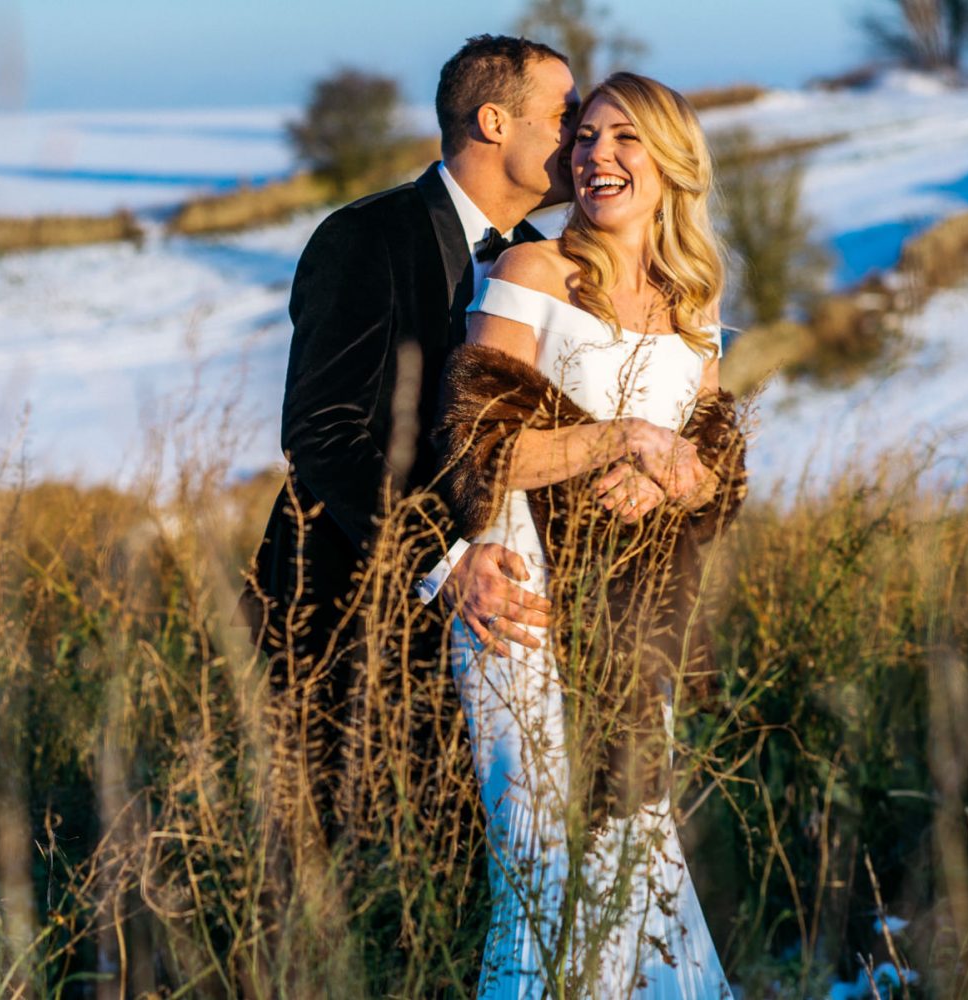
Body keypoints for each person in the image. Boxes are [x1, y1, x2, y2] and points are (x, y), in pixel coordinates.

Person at [434, 72, 748, 996]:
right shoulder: (534, 271)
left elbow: (715, 473)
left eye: (624, 140)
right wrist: (622, 437)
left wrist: (667, 487)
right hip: (520, 597)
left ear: (671, 163)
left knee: (634, 843)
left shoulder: (694, 301)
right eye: (586, 138)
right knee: (537, 858)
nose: (595, 157)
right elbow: (474, 449)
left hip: (629, 610)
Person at [241, 35, 579, 838]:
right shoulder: (363, 238)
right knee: (349, 863)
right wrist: (447, 560)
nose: (578, 139)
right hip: (348, 608)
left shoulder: (545, 267)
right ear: (494, 122)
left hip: (502, 619)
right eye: (563, 116)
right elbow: (321, 433)